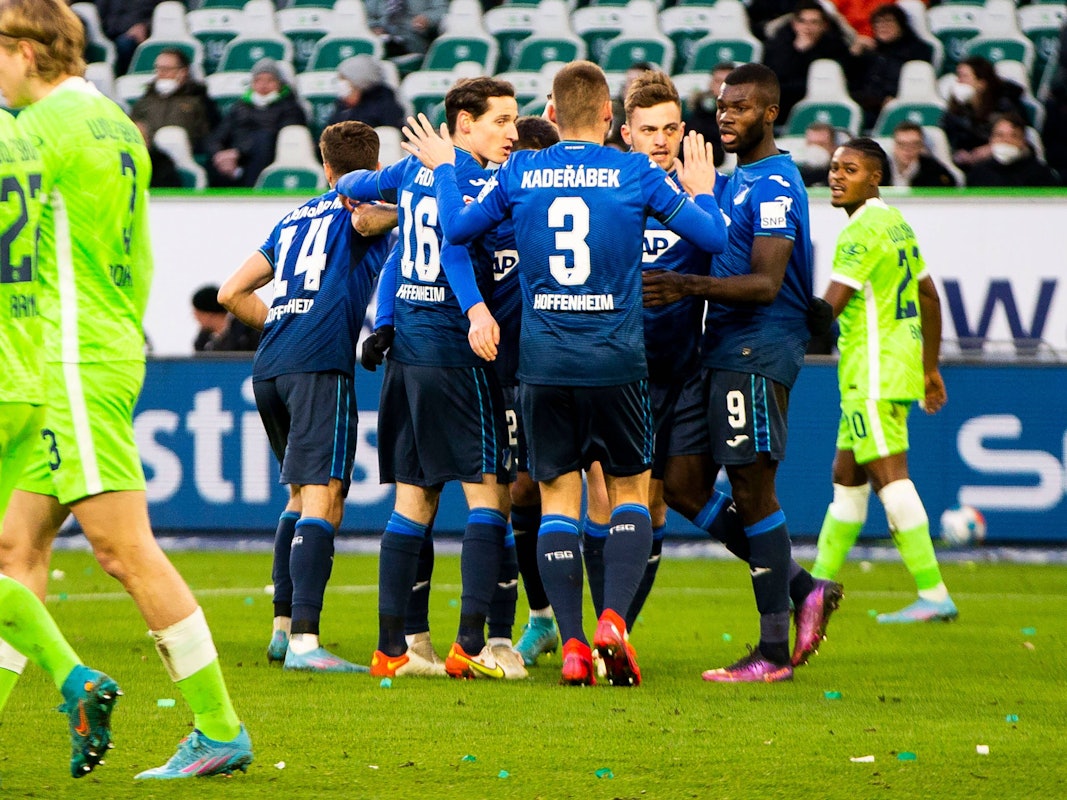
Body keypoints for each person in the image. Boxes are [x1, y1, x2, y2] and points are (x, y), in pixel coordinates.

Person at [399, 60, 730, 687]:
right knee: (630, 492)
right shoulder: (635, 171)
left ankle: (574, 644)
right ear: (609, 116)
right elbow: (712, 237)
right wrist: (704, 188)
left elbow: (458, 229)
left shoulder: (520, 170)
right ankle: (613, 622)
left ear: (552, 111)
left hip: (544, 365)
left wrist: (444, 169)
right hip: (616, 361)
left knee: (557, 499)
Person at [0, 0, 251, 779]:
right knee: (17, 547)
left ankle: (219, 727)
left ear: (26, 53)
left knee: (122, 548)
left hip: (67, 357)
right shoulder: (117, 124)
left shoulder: (35, 131)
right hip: (101, 343)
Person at [642, 63, 843, 682]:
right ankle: (803, 586)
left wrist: (685, 286)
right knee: (681, 484)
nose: (727, 116)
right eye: (724, 106)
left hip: (758, 348)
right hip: (720, 348)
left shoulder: (776, 183)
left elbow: (765, 283)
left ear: (771, 114)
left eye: (742, 107)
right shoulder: (733, 182)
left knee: (754, 491)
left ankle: (773, 652)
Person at [337, 77, 519, 680]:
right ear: (464, 124)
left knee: (413, 499)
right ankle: (471, 644)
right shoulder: (471, 180)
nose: (511, 133)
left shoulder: (414, 170)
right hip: (452, 350)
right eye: (500, 121)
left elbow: (354, 188)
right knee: (488, 493)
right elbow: (456, 247)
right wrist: (477, 311)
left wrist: (359, 196)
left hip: (408, 355)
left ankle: (393, 651)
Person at [218, 121, 393, 672]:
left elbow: (230, 292)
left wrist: (283, 321)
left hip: (271, 365)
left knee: (299, 496)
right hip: (319, 365)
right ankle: (305, 642)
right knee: (324, 496)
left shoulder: (294, 217)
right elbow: (368, 218)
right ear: (375, 166)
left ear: (325, 166)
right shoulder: (363, 208)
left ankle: (282, 630)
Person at [0, 104, 121, 780]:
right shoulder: (21, 136)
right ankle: (75, 680)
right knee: (13, 555)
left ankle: (75, 676)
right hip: (25, 374)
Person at [583, 70, 716, 633]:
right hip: (614, 369)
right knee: (601, 499)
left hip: (677, 371)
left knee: (654, 505)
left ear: (682, 130)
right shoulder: (607, 187)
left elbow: (726, 258)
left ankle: (619, 633)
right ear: (626, 133)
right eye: (648, 130)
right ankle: (597, 628)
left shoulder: (702, 191)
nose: (660, 140)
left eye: (669, 129)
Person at [811, 137, 958, 624]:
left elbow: (826, 311)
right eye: (835, 167)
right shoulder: (896, 223)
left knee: (891, 480)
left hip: (872, 373)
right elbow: (929, 295)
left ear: (875, 178)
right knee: (847, 478)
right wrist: (929, 368)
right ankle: (814, 589)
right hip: (891, 368)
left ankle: (934, 593)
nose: (837, 176)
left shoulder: (861, 231)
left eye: (850, 169)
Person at [484, 115, 563, 669]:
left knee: (593, 491)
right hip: (508, 373)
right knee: (522, 492)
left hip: (563, 369)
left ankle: (606, 627)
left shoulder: (556, 215)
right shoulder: (492, 218)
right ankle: (542, 618)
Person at [205, 58, 308, 188]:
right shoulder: (240, 107)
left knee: (263, 139)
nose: (263, 85)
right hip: (235, 160)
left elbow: (281, 137)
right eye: (258, 80)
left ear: (280, 83)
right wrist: (221, 154)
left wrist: (239, 152)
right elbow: (217, 136)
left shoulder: (290, 108)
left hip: (267, 158)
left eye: (270, 80)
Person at [762, 0, 855, 121]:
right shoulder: (779, 46)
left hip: (824, 103)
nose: (807, 27)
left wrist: (808, 52)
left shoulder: (837, 48)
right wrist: (799, 51)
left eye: (814, 22)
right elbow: (776, 77)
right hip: (784, 104)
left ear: (824, 25)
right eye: (802, 21)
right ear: (795, 24)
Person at [850, 4, 934, 131]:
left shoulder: (917, 50)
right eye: (878, 22)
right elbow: (851, 82)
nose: (883, 26)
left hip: (899, 104)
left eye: (888, 21)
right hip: (867, 105)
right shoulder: (869, 52)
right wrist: (854, 54)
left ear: (901, 24)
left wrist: (896, 98)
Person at [941, 56, 1028, 172]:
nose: (959, 81)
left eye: (964, 77)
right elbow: (948, 134)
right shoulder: (957, 108)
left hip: (1000, 162)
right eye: (958, 76)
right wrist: (958, 153)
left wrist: (990, 149)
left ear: (981, 84)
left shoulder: (1004, 107)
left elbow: (1017, 137)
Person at [129, 47, 219, 155]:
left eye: (166, 69)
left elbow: (209, 134)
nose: (161, 74)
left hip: (187, 154)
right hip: (150, 155)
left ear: (183, 72)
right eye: (158, 68)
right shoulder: (145, 100)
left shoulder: (199, 100)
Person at [965, 112, 1061, 188]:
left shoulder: (1041, 174)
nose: (1006, 140)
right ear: (991, 140)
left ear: (1023, 142)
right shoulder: (978, 173)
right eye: (999, 135)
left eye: (1014, 136)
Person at [328, 54, 405, 130]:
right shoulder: (342, 106)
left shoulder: (385, 106)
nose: (340, 84)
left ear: (359, 82)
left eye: (344, 79)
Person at [683, 61, 733, 168]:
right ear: (710, 84)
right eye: (717, 81)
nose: (721, 87)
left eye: (726, 83)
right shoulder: (701, 106)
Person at [92, 0, 157, 75]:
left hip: (137, 34)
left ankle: (124, 76)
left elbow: (163, 10)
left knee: (125, 44)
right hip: (109, 32)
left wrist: (145, 26)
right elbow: (99, 14)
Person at [365, 0, 447, 59]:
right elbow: (366, 13)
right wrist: (374, 26)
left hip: (413, 35)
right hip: (383, 34)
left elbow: (442, 9)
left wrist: (428, 18)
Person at [191, 284, 260, 352]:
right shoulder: (204, 340)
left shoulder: (247, 332)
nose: (195, 317)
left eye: (197, 314)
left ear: (209, 315)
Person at [888, 121, 958, 188]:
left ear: (921, 146)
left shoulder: (933, 170)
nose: (908, 150)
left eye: (914, 145)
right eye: (902, 144)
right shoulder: (884, 167)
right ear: (894, 146)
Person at [135, 119, 182, 189]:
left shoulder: (162, 162)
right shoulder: (122, 159)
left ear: (148, 140)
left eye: (141, 138)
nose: (136, 144)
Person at [795, 120, 838, 186]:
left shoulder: (838, 177)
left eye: (821, 144)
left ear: (833, 147)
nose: (815, 149)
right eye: (811, 144)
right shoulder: (797, 174)